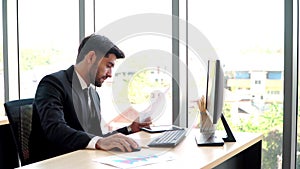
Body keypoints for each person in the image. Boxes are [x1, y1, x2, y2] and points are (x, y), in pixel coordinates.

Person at [28, 34, 152, 163]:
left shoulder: (93, 94)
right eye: (108, 65)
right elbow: (55, 129)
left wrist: (130, 129)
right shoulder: (53, 84)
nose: (110, 74)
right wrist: (99, 141)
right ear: (91, 57)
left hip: (83, 160)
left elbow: (97, 136)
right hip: (54, 162)